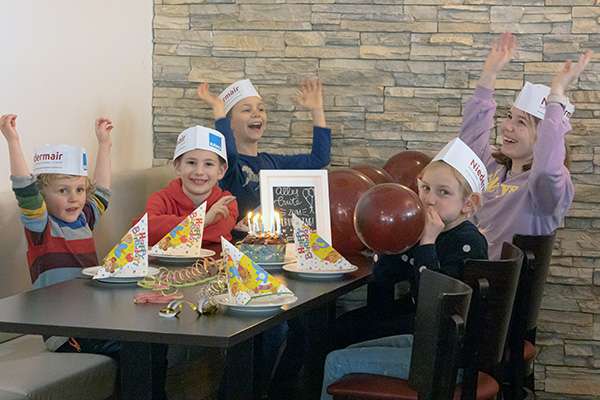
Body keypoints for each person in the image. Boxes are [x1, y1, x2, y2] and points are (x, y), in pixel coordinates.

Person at [1, 113, 170, 399]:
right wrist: (12, 140)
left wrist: (104, 145)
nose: (74, 198)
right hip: (65, 332)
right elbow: (24, 189)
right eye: (63, 191)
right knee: (137, 347)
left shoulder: (83, 220)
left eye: (79, 190)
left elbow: (102, 191)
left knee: (154, 342)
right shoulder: (41, 227)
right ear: (42, 196)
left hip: (92, 321)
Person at [320, 138, 489, 400]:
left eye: (443, 192)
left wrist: (427, 244)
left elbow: (436, 308)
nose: (429, 200)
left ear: (468, 204)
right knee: (338, 336)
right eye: (425, 189)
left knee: (336, 362)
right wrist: (391, 243)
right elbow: (384, 282)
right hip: (426, 342)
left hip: (446, 358)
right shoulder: (421, 230)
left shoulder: (468, 243)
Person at [460, 32, 593, 259]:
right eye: (509, 117)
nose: (507, 127)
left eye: (521, 122)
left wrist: (557, 96)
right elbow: (468, 143)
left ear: (544, 137)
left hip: (503, 289)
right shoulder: (493, 163)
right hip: (466, 274)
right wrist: (489, 75)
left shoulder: (547, 189)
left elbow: (546, 171)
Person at [197, 78, 331, 218]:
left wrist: (317, 110)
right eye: (247, 110)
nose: (256, 113)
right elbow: (230, 153)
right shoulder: (227, 167)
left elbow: (319, 159)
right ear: (229, 124)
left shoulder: (273, 162)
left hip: (271, 238)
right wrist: (219, 111)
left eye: (261, 109)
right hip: (236, 239)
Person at [144, 125, 238, 254]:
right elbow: (145, 231)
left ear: (221, 171)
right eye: (191, 163)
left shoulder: (226, 202)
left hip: (215, 269)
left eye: (208, 164)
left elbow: (218, 232)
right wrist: (204, 220)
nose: (199, 172)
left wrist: (167, 232)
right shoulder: (160, 198)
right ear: (177, 167)